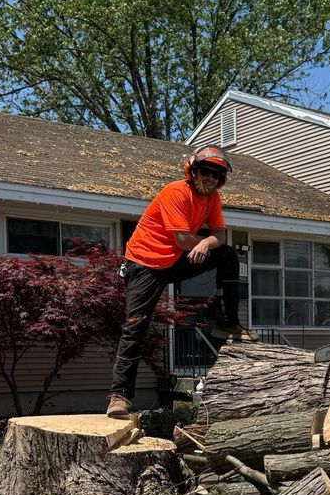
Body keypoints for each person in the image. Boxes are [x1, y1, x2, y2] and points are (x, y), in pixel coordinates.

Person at [107, 144, 256, 419]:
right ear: (192, 171)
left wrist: (207, 243)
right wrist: (200, 243)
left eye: (216, 175)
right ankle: (119, 397)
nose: (209, 178)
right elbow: (183, 239)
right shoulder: (176, 191)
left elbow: (220, 237)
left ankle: (227, 323)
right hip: (145, 264)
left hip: (174, 261)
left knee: (228, 256)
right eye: (205, 172)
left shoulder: (212, 199)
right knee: (135, 328)